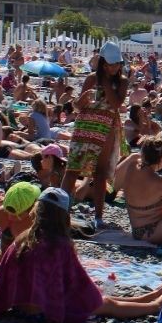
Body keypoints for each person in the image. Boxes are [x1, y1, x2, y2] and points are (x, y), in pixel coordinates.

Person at [0, 188, 162, 323]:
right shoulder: (60, 245)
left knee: (100, 300)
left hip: (19, 307)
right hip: (45, 312)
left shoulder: (22, 239)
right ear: (65, 217)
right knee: (106, 305)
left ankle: (142, 299)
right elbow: (79, 285)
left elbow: (7, 276)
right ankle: (155, 306)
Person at [62, 42, 128, 222]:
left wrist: (105, 81)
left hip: (106, 127)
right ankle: (60, 212)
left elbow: (116, 104)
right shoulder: (91, 78)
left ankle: (99, 216)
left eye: (116, 64)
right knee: (73, 168)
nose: (114, 67)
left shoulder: (122, 81)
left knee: (100, 172)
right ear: (103, 63)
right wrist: (81, 99)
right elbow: (76, 106)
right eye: (111, 64)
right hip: (85, 125)